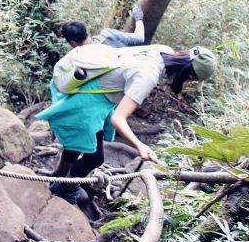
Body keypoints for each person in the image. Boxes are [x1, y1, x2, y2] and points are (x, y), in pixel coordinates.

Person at [36, 43, 218, 205]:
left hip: (93, 89)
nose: (188, 83)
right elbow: (118, 119)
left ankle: (58, 179)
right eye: (191, 79)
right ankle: (65, 188)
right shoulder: (149, 75)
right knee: (94, 157)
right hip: (90, 100)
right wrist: (140, 146)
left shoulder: (163, 50)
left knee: (78, 145)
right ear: (188, 72)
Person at [61, 3, 147, 49]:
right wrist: (139, 18)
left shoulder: (81, 62)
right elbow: (139, 38)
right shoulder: (107, 34)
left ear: (72, 42)